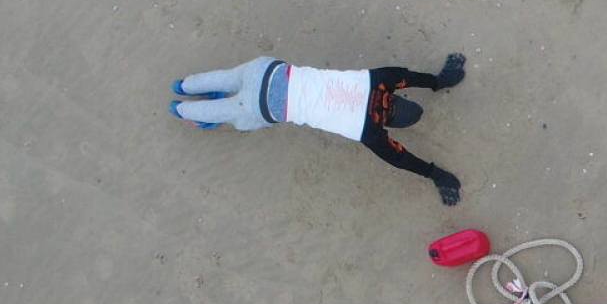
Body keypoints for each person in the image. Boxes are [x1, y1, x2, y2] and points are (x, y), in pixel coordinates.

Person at [170, 53, 469, 205]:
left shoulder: (378, 79)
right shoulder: (370, 133)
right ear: (388, 124)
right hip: (259, 108)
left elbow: (408, 76)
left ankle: (183, 85)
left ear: (396, 97)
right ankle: (184, 111)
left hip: (267, 69)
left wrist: (440, 81)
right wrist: (437, 175)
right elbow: (401, 158)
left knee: (230, 77)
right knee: (227, 111)